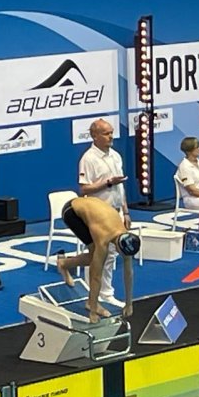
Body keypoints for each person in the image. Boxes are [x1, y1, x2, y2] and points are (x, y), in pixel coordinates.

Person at [56, 196, 140, 323]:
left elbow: (129, 273)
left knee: (96, 258)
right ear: (117, 247)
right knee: (95, 258)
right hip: (72, 212)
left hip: (95, 212)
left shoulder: (126, 237)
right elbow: (95, 276)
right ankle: (90, 303)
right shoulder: (103, 239)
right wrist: (93, 312)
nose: (123, 256)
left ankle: (63, 264)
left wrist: (129, 304)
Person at [78, 118, 130, 308]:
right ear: (95, 136)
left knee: (112, 254)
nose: (111, 136)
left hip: (116, 212)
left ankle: (106, 293)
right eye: (106, 133)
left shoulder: (116, 156)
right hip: (98, 215)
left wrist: (126, 212)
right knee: (97, 254)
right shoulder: (88, 159)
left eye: (111, 132)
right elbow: (84, 189)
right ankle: (92, 292)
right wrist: (108, 183)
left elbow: (120, 188)